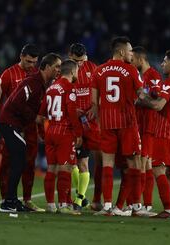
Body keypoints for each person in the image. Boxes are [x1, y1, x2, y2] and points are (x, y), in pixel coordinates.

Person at [89, 36, 147, 216]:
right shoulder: (130, 70)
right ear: (121, 52)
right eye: (130, 51)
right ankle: (136, 206)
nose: (132, 54)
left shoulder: (99, 71)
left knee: (107, 162)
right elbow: (141, 95)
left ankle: (107, 206)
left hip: (107, 123)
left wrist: (100, 118)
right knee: (133, 163)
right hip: (127, 122)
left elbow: (94, 103)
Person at [0, 53, 61, 212]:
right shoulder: (34, 82)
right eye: (56, 67)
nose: (58, 70)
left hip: (14, 124)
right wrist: (35, 117)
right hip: (9, 123)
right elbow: (17, 101)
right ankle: (8, 202)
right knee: (19, 160)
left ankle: (11, 200)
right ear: (46, 67)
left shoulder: (40, 83)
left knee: (21, 160)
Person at [138, 50, 170, 219]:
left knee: (158, 168)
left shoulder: (169, 83)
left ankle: (167, 209)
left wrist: (142, 98)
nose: (162, 64)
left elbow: (158, 106)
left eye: (165, 61)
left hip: (165, 132)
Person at [0, 44, 44, 211]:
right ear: (21, 56)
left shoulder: (37, 75)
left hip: (30, 125)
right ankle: (7, 197)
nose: (31, 65)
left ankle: (27, 199)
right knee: (7, 162)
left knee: (29, 163)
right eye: (29, 61)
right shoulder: (8, 74)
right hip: (13, 124)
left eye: (34, 62)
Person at [39, 59, 83, 214]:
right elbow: (71, 114)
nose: (77, 74)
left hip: (50, 131)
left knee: (51, 169)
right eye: (77, 71)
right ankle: (63, 205)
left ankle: (50, 204)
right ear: (72, 72)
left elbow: (41, 114)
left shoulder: (51, 87)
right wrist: (78, 134)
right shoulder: (69, 88)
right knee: (66, 169)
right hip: (64, 132)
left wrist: (42, 133)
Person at [68, 43, 102, 212]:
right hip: (70, 122)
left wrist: (95, 107)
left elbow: (101, 91)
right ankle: (81, 196)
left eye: (81, 61)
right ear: (69, 57)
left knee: (83, 162)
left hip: (88, 122)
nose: (79, 64)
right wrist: (73, 110)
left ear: (86, 57)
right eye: (75, 60)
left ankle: (79, 199)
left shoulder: (93, 69)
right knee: (70, 162)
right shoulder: (65, 71)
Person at [131, 46, 162, 213]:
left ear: (140, 59)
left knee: (142, 162)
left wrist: (138, 100)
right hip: (141, 124)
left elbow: (156, 98)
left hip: (148, 125)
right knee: (146, 163)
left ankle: (140, 204)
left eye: (133, 60)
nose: (132, 62)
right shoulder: (141, 76)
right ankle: (146, 203)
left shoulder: (153, 75)